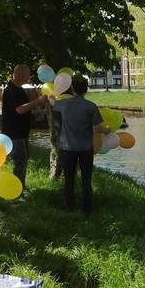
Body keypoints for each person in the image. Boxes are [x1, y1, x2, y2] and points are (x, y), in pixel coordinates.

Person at [51, 74, 104, 214]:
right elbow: (97, 128)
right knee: (86, 179)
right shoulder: (91, 106)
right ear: (86, 90)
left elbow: (52, 102)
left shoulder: (63, 105)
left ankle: (69, 206)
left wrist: (53, 93)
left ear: (72, 89)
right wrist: (107, 130)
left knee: (69, 179)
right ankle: (87, 208)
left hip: (67, 148)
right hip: (86, 148)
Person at [1, 64, 49, 193]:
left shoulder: (20, 89)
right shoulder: (10, 90)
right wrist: (37, 101)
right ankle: (16, 190)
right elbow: (20, 109)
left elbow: (28, 107)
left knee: (24, 160)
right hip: (14, 133)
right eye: (28, 74)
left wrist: (37, 101)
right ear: (21, 74)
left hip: (22, 131)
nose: (29, 77)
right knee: (20, 162)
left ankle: (20, 187)